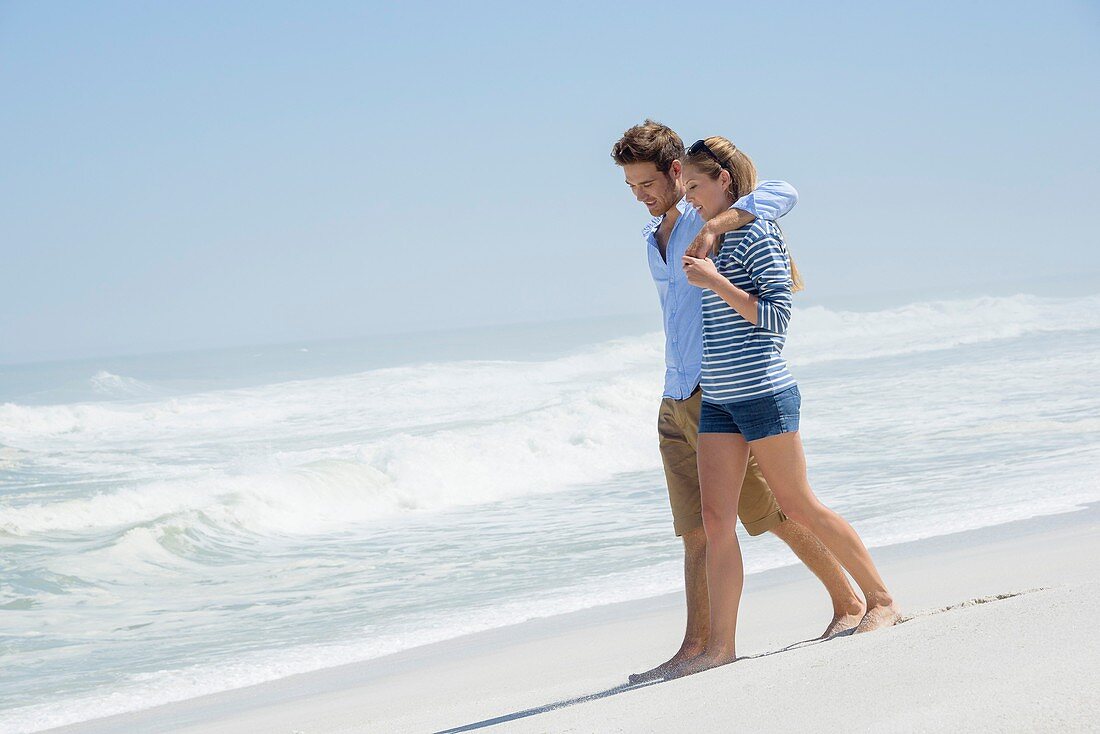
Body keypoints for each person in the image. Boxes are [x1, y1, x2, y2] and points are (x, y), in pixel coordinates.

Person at [611, 120, 866, 683]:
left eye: (647, 183)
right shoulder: (651, 239)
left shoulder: (707, 224)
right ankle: (695, 643)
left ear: (678, 172)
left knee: (770, 513)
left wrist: (717, 223)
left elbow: (783, 192)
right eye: (630, 187)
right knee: (696, 526)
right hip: (675, 393)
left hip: (720, 390)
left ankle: (850, 601)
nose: (640, 196)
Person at [677, 135, 900, 674]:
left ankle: (883, 600)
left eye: (695, 187)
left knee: (799, 506)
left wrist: (714, 281)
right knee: (715, 520)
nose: (688, 199)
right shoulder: (709, 234)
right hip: (721, 401)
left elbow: (777, 317)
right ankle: (720, 649)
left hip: (764, 393)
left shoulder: (759, 234)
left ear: (723, 181)